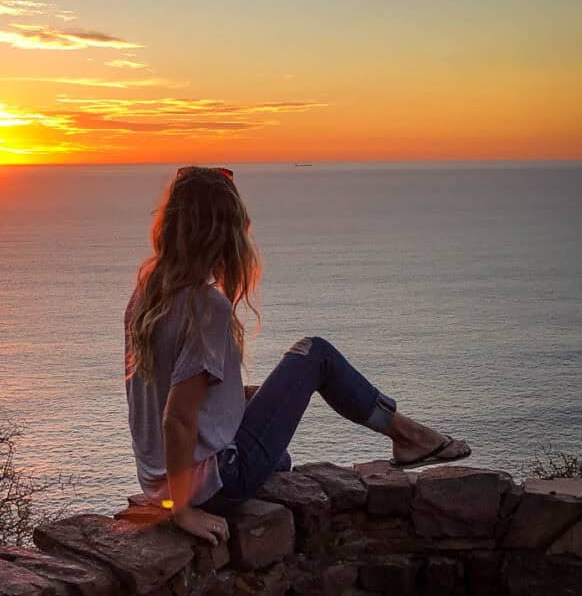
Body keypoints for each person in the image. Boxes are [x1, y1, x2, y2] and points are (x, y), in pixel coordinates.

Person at [123, 166, 471, 546]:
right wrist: (183, 510)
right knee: (314, 354)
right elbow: (177, 417)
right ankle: (409, 436)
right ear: (223, 232)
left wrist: (253, 396)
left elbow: (171, 396)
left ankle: (400, 436)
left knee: (280, 457)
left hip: (158, 480)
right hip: (213, 481)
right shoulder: (206, 306)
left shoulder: (147, 294)